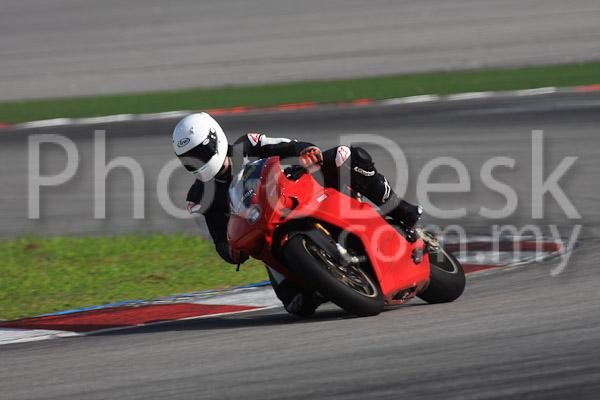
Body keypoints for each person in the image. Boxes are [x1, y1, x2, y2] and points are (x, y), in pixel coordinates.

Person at [173, 112, 422, 316]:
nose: (198, 163)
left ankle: (400, 210)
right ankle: (326, 279)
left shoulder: (247, 145)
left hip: (298, 194)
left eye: (200, 154)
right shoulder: (197, 199)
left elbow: (291, 145)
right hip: (267, 236)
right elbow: (219, 240)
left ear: (215, 139)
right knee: (296, 305)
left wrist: (306, 151)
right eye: (190, 160)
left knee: (344, 157)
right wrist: (231, 251)